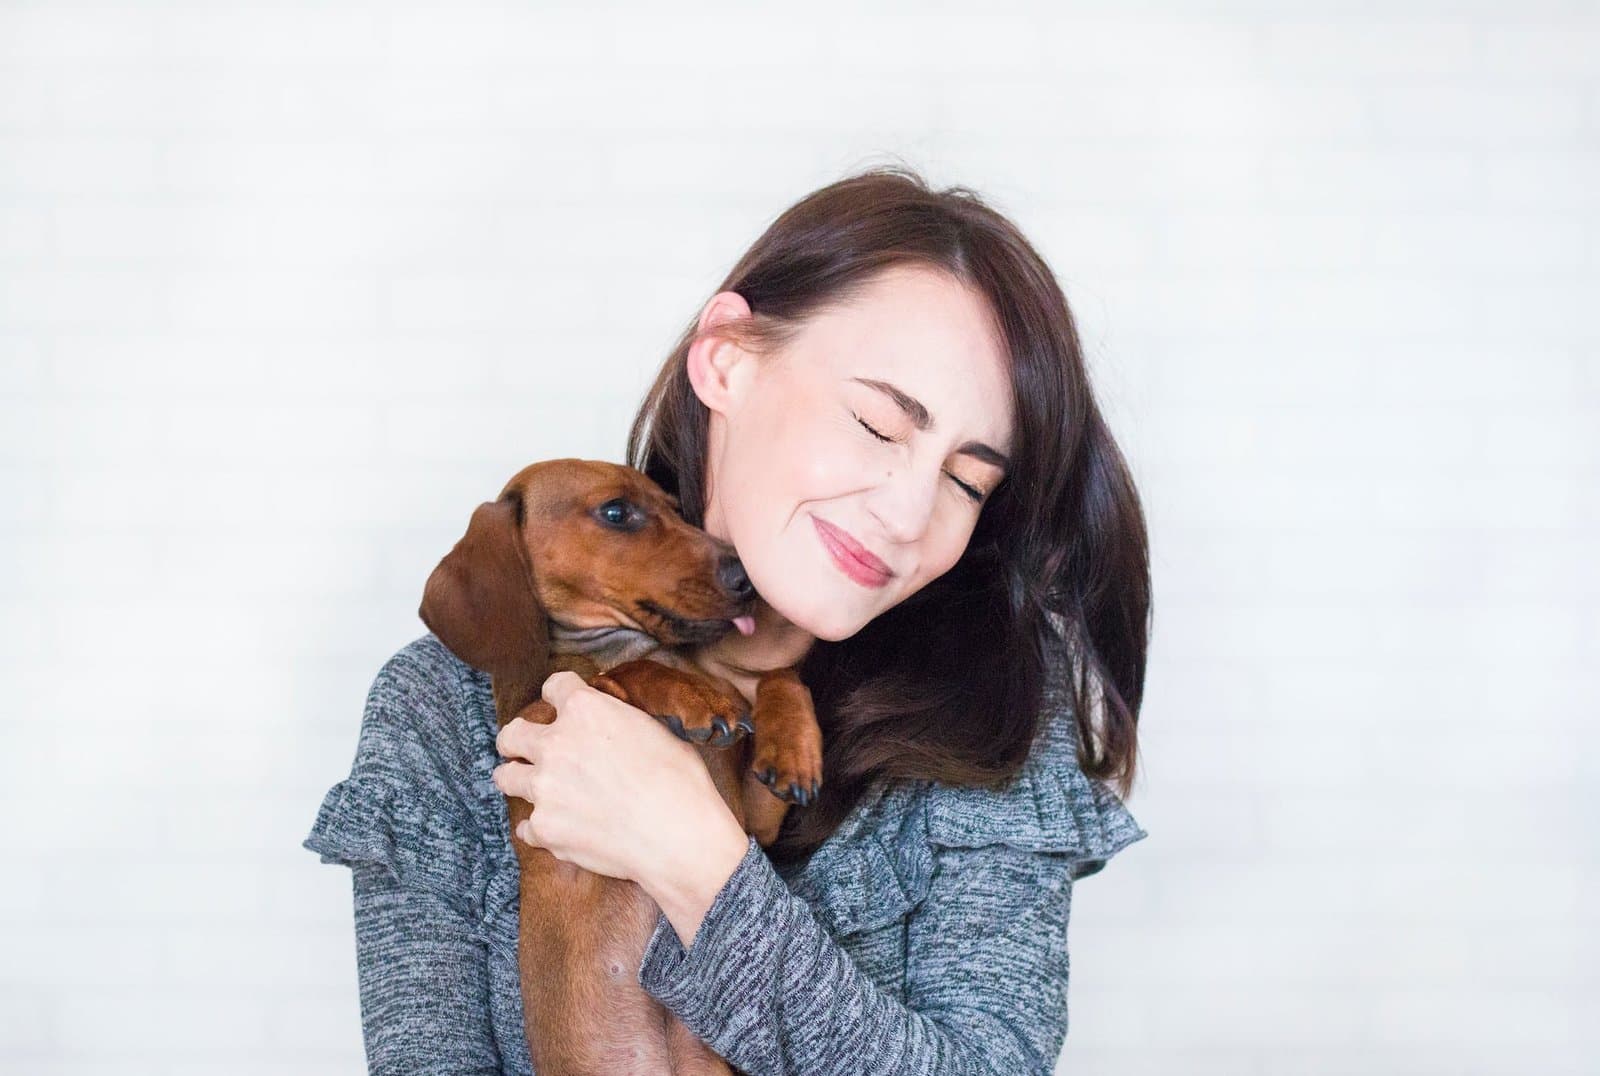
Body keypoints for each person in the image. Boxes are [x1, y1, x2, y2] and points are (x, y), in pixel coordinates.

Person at [304, 163, 1150, 1075]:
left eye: (965, 481)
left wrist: (695, 857)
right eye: (877, 424)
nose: (909, 515)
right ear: (727, 359)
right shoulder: (438, 712)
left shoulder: (998, 718)